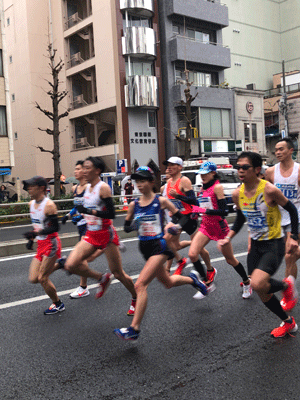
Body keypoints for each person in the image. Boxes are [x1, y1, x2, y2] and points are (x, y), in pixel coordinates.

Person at [113, 166, 207, 341]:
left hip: (160, 246)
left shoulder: (161, 201)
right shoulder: (134, 205)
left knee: (140, 285)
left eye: (143, 181)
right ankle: (193, 280)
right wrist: (134, 224)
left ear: (151, 182)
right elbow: (126, 228)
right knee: (168, 282)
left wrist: (174, 227)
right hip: (145, 247)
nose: (139, 185)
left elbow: (182, 216)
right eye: (137, 181)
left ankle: (134, 329)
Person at [218, 151, 299, 338]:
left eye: (245, 167)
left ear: (256, 170)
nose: (240, 170)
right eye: (238, 167)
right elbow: (239, 218)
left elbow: (292, 210)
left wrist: (293, 236)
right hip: (255, 246)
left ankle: (286, 287)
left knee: (257, 282)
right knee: (261, 290)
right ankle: (288, 322)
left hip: (273, 244)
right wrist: (228, 237)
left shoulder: (269, 190)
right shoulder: (237, 193)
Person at [61, 156, 136, 315]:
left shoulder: (103, 188)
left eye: (87, 168)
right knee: (71, 264)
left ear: (97, 171)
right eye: (83, 168)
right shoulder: (85, 188)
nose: (84, 171)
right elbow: (80, 208)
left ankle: (136, 297)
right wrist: (70, 216)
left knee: (118, 273)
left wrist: (89, 211)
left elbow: (111, 214)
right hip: (90, 233)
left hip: (106, 235)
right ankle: (102, 278)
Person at [188, 161, 251, 299]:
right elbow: (202, 206)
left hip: (219, 227)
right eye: (201, 174)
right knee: (193, 254)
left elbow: (224, 212)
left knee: (230, 260)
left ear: (213, 173)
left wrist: (204, 210)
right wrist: (196, 211)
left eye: (205, 174)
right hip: (205, 225)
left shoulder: (217, 188)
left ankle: (246, 282)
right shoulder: (202, 188)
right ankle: (207, 283)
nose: (202, 176)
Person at [265, 137, 300, 311]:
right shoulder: (271, 172)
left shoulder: (299, 171)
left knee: (289, 256)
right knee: (290, 255)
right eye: (276, 150)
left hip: (297, 217)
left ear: (291, 151)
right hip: (279, 219)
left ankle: (288, 293)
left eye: (281, 149)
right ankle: (290, 288)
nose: (277, 152)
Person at [22, 176, 64, 315]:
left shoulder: (49, 205)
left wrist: (38, 232)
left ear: (41, 188)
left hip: (51, 243)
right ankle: (62, 264)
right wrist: (31, 239)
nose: (28, 189)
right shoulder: (31, 204)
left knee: (42, 278)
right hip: (41, 244)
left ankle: (58, 304)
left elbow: (55, 228)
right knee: (33, 278)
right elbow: (36, 225)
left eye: (31, 186)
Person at [163, 157, 199, 275]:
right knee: (170, 242)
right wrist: (169, 208)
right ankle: (180, 260)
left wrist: (178, 196)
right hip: (177, 216)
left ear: (180, 167)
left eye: (172, 165)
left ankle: (209, 269)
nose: (169, 167)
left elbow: (194, 201)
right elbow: (170, 201)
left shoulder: (184, 181)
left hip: (188, 217)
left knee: (199, 248)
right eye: (168, 165)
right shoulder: (168, 183)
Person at [160, 172, 191, 274]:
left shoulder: (180, 184)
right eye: (166, 175)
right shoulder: (163, 188)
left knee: (167, 241)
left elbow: (190, 200)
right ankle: (196, 243)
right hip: (169, 217)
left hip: (179, 217)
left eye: (169, 174)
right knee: (176, 246)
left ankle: (169, 268)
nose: (168, 177)